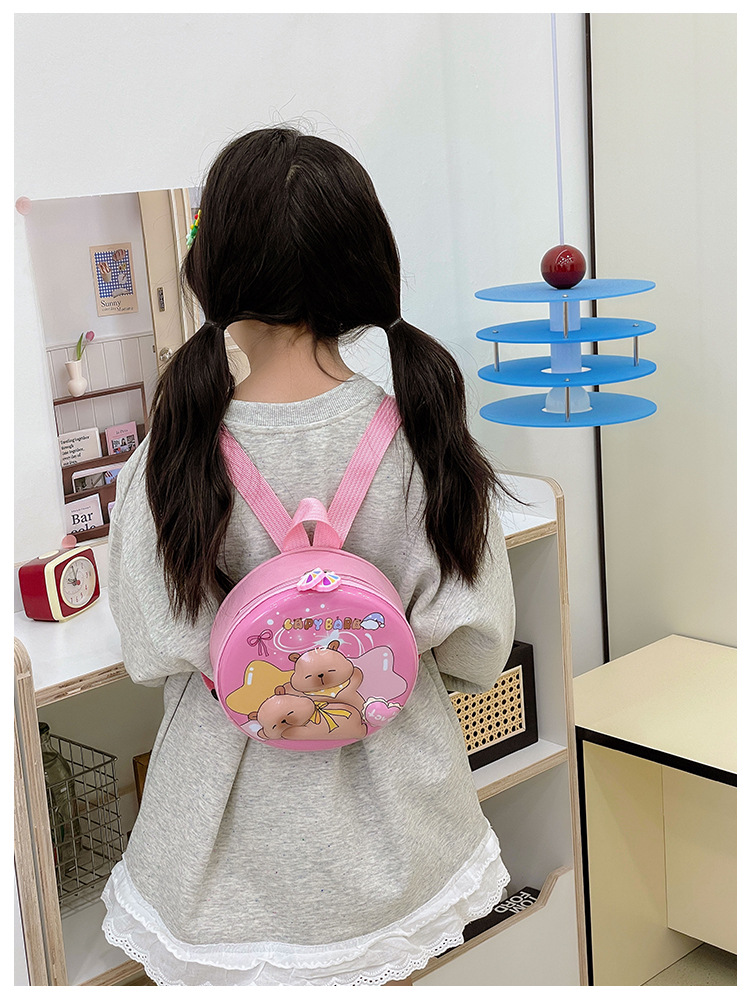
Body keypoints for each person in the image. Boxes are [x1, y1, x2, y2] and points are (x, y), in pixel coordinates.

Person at [100, 126, 516, 987]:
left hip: (224, 854)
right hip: (398, 835)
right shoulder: (425, 440)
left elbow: (150, 647)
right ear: (361, 268)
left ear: (213, 269)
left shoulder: (170, 456)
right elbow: (479, 646)